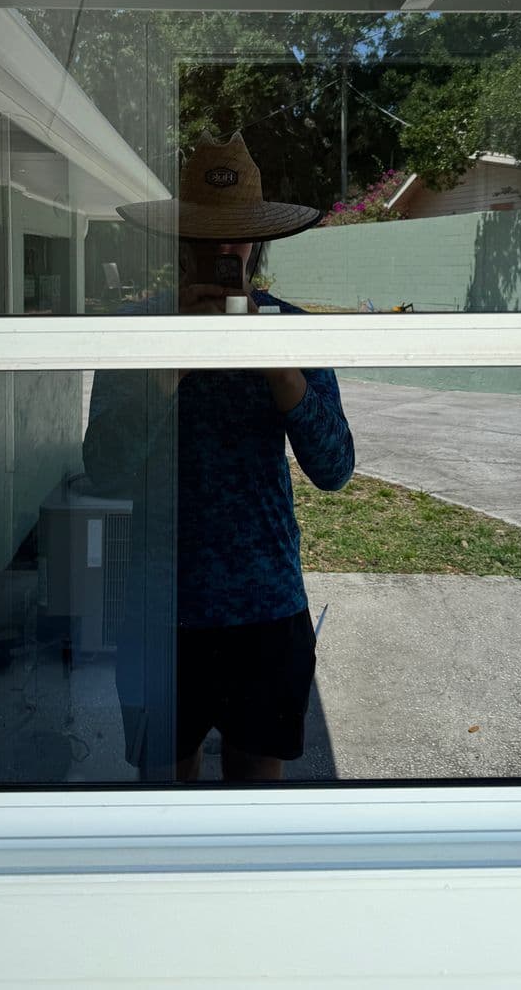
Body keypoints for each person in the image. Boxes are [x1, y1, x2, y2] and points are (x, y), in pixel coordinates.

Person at [82, 132, 354, 782]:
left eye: (236, 235)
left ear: (256, 244)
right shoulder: (135, 333)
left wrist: (280, 371)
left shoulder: (291, 330)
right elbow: (104, 467)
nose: (223, 249)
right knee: (162, 807)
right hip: (158, 610)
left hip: (264, 604)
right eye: (207, 234)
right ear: (181, 242)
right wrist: (169, 367)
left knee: (254, 812)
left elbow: (335, 467)